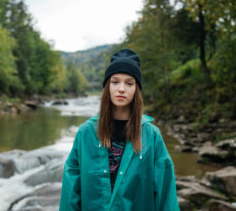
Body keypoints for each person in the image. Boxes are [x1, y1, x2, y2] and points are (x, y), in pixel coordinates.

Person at [59, 49, 180, 211]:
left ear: (136, 89)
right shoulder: (86, 133)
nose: (121, 89)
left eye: (129, 83)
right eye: (115, 82)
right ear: (107, 87)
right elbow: (71, 191)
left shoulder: (151, 136)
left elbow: (166, 194)